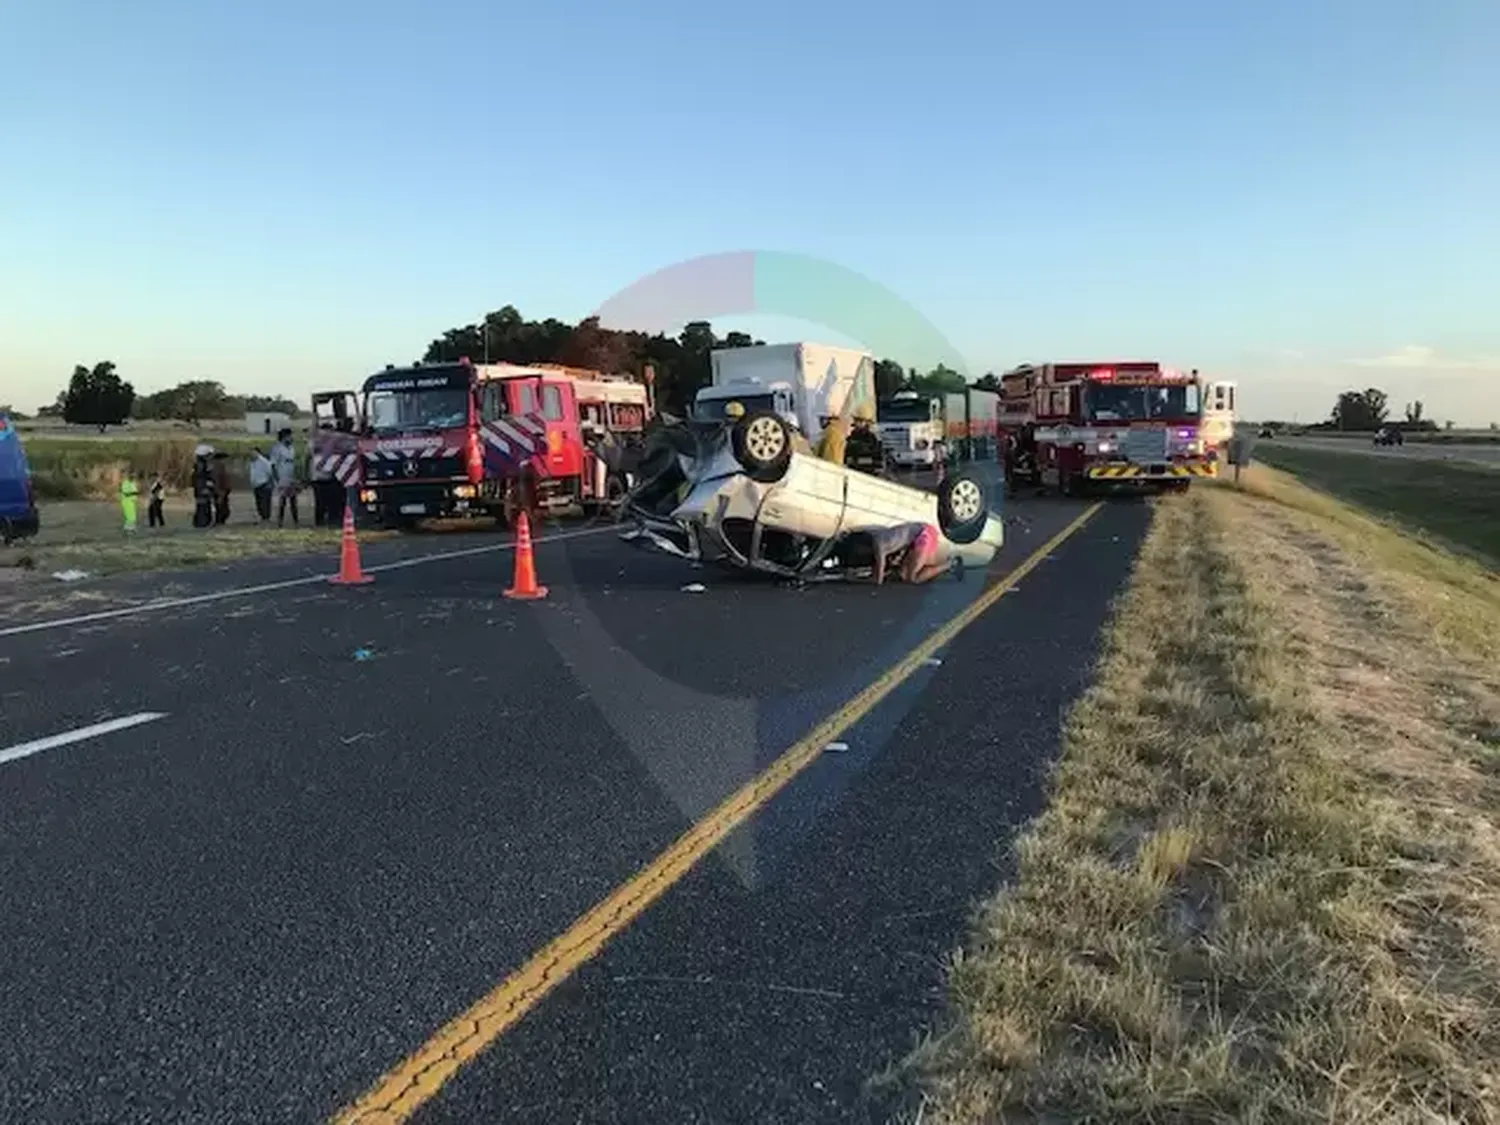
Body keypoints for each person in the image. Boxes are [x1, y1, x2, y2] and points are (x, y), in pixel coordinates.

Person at [862, 522, 954, 585]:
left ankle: (948, 565)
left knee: (912, 578)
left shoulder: (878, 546)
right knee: (902, 574)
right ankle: (924, 566)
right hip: (918, 532)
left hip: (924, 534)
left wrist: (866, 580)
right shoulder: (877, 536)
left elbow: (879, 579)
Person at [270, 428, 300, 526]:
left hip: (291, 477)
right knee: (282, 501)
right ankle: (280, 521)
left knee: (293, 500)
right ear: (284, 437)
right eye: (290, 436)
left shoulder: (292, 448)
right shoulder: (277, 448)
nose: (292, 438)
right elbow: (273, 464)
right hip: (282, 477)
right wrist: (277, 478)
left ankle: (296, 521)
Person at [191, 444, 215, 528]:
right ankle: (202, 522)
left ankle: (200, 522)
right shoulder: (202, 466)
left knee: (201, 506)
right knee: (203, 506)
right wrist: (206, 487)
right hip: (202, 489)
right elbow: (202, 478)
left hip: (199, 489)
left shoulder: (199, 465)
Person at [249, 448, 274, 522]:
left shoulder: (264, 462)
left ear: (258, 453)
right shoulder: (252, 462)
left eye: (254, 453)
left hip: (264, 484)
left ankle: (266, 517)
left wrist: (270, 482)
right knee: (258, 502)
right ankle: (262, 516)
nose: (252, 454)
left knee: (265, 502)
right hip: (256, 485)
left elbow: (270, 472)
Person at [211, 451, 233, 525]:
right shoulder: (219, 467)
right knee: (222, 508)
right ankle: (219, 521)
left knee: (222, 507)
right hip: (221, 490)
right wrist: (220, 491)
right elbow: (219, 480)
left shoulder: (220, 466)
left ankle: (219, 521)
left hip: (223, 490)